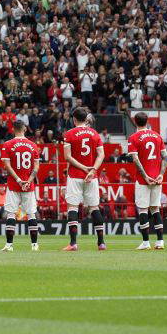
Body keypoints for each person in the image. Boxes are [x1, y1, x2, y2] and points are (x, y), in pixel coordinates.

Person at [61, 107, 105, 251]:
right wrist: (92, 170)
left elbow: (67, 156)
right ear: (86, 119)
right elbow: (101, 155)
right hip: (92, 177)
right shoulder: (95, 134)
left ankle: (73, 243)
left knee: (72, 207)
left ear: (74, 119)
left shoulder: (69, 134)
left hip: (75, 176)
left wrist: (84, 168)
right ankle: (101, 243)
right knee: (94, 207)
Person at [127, 112, 167, 250]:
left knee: (143, 210)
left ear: (135, 122)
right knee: (155, 209)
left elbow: (135, 159)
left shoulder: (133, 137)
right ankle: (160, 241)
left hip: (143, 180)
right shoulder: (157, 136)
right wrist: (161, 174)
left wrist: (145, 176)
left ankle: (145, 242)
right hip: (157, 178)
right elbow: (165, 157)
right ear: (147, 121)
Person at [0, 121, 40, 252]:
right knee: (31, 214)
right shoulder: (33, 145)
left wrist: (18, 180)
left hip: (13, 185)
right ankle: (34, 245)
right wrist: (28, 180)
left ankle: (9, 245)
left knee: (11, 214)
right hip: (29, 185)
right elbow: (36, 167)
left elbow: (7, 165)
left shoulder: (7, 145)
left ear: (13, 129)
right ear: (24, 129)